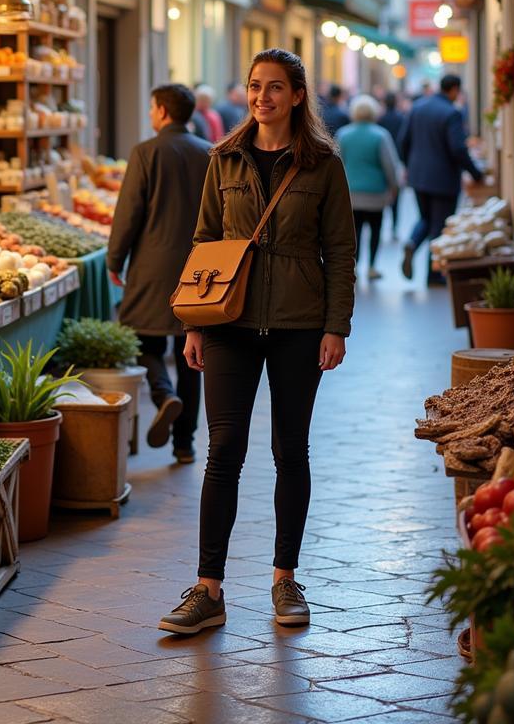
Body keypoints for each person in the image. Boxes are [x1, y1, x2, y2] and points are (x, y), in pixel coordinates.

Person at [159, 49, 356, 636]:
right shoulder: (225, 158)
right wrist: (194, 321)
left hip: (299, 321)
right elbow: (205, 239)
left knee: (290, 452)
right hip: (229, 324)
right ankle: (208, 589)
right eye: (253, 86)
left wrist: (335, 326)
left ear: (297, 95)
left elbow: (341, 251)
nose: (261, 96)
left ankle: (284, 578)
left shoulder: (323, 164)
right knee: (224, 453)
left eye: (274, 87)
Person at [107, 84, 212, 461]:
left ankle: (163, 394)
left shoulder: (145, 152)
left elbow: (129, 212)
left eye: (152, 108)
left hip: (152, 265)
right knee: (193, 355)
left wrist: (115, 259)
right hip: (201, 270)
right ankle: (185, 445)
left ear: (164, 112)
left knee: (144, 341)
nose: (150, 114)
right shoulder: (210, 153)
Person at [399, 74, 485, 285]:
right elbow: (457, 148)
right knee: (440, 225)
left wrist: (410, 166)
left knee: (426, 218)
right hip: (443, 179)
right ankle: (434, 274)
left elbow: (402, 141)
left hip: (419, 177)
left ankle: (413, 241)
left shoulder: (417, 107)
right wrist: (475, 173)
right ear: (455, 89)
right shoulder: (451, 113)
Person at [336, 95, 401, 280]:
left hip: (351, 194)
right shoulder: (381, 135)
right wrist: (394, 187)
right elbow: (390, 165)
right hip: (376, 195)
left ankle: (354, 266)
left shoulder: (343, 134)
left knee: (353, 234)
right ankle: (372, 267)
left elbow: (336, 163)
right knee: (375, 231)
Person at [377, 92, 407, 239]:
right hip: (397, 159)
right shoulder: (402, 118)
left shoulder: (380, 119)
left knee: (384, 193)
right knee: (396, 195)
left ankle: (383, 226)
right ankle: (394, 228)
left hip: (381, 160)